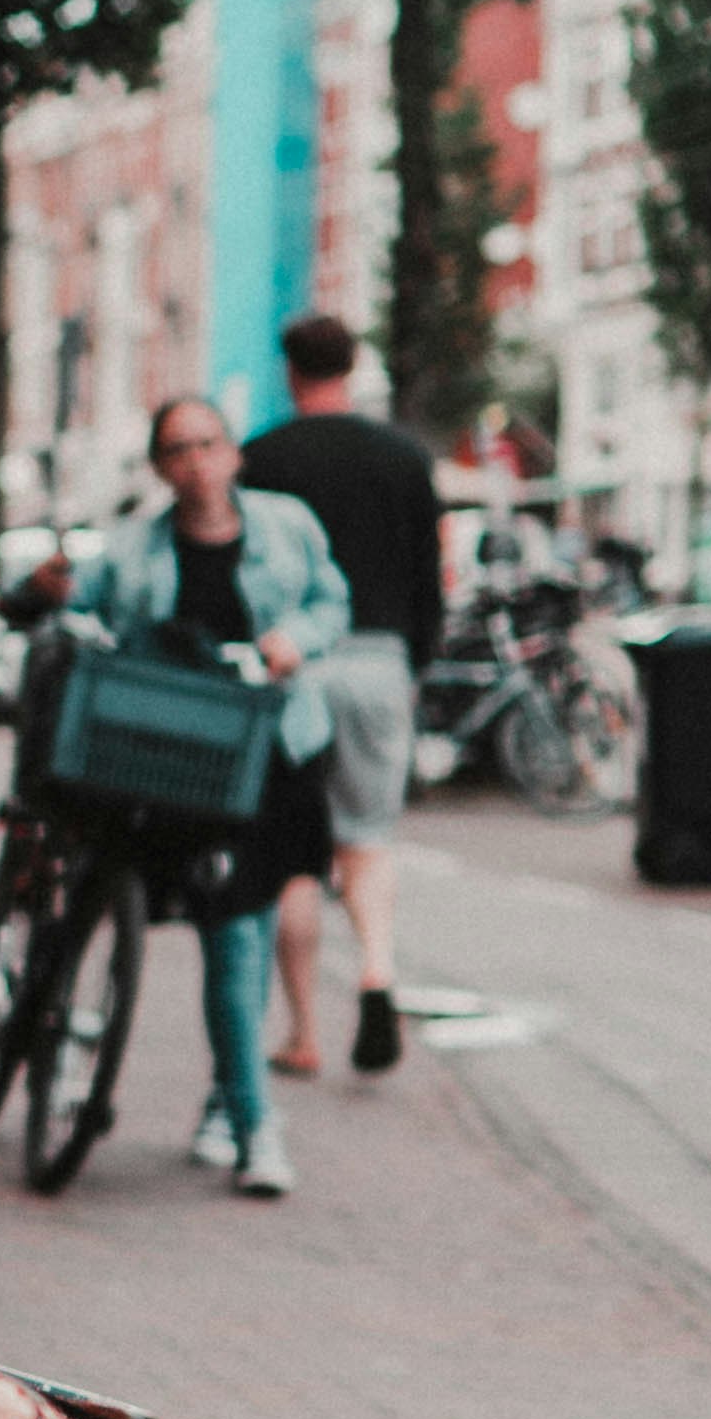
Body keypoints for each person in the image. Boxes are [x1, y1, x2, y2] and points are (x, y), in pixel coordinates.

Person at [80, 391, 346, 1193]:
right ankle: (253, 1120)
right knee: (235, 937)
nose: (197, 462)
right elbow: (81, 614)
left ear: (233, 453)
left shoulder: (287, 526)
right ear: (161, 466)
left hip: (278, 757)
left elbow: (332, 602)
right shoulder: (133, 550)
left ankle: (232, 1105)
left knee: (250, 936)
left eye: (209, 444)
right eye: (178, 449)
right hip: (184, 772)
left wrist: (291, 643)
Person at [239, 313, 444, 1074]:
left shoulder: (261, 458)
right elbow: (430, 576)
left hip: (295, 664)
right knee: (368, 836)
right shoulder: (404, 458)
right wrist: (413, 662)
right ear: (355, 368)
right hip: (381, 662)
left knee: (294, 853)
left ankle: (303, 1034)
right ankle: (378, 969)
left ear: (290, 371)